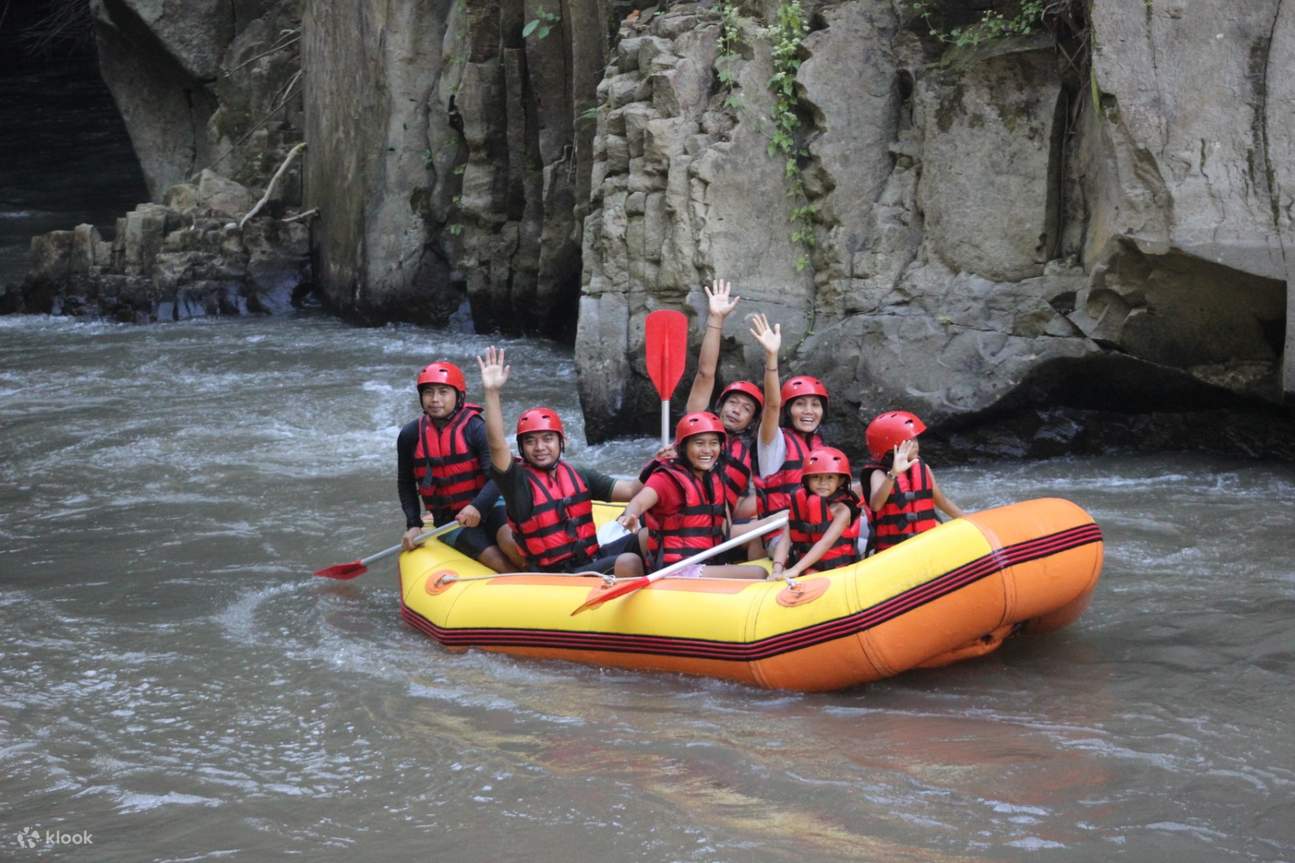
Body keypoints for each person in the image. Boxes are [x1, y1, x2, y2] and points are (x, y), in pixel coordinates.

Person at [477, 347, 644, 573]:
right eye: (530, 441)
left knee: (645, 537)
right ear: (522, 448)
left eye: (547, 439)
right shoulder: (517, 483)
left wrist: (663, 461)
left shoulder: (578, 473)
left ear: (561, 441)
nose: (540, 447)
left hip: (591, 559)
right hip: (560, 577)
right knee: (629, 561)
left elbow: (631, 490)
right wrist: (492, 392)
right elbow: (497, 444)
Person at [615, 412, 765, 579]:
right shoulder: (666, 478)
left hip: (708, 561)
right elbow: (639, 501)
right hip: (677, 569)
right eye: (699, 443)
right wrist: (631, 515)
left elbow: (721, 525)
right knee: (758, 573)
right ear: (684, 447)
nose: (707, 450)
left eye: (713, 443)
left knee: (757, 546)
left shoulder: (714, 477)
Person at [396, 360, 512, 571]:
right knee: (496, 561)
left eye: (443, 392)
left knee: (511, 544)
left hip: (491, 503)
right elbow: (405, 483)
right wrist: (413, 524)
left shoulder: (475, 428)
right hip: (450, 520)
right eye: (428, 392)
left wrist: (478, 506)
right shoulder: (410, 435)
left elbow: (498, 476)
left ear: (458, 396)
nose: (435, 399)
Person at [680, 281, 781, 518]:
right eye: (733, 402)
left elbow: (774, 406)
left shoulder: (756, 445)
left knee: (773, 503)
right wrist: (715, 319)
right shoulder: (698, 424)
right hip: (686, 516)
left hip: (727, 525)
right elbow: (705, 373)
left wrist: (771, 356)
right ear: (721, 406)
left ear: (751, 420)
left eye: (746, 408)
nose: (736, 410)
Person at [863, 410, 965, 554]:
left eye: (915, 440)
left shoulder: (924, 470)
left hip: (925, 543)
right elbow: (876, 505)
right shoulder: (879, 474)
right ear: (890, 449)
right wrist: (893, 474)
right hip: (894, 550)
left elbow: (942, 502)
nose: (916, 445)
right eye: (909, 441)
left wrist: (971, 521)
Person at [770, 447, 862, 580]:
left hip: (836, 570)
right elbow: (785, 540)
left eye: (830, 477)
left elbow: (825, 543)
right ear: (807, 480)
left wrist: (795, 570)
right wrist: (777, 570)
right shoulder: (802, 505)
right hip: (805, 567)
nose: (822, 482)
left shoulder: (843, 510)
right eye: (815, 477)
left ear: (841, 481)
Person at [756, 373, 829, 518]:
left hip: (817, 527)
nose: (808, 410)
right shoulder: (775, 441)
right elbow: (772, 406)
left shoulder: (821, 447)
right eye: (800, 404)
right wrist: (771, 358)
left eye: (815, 404)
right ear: (788, 410)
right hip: (782, 531)